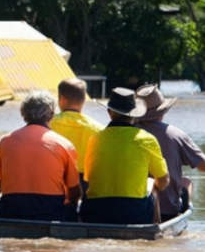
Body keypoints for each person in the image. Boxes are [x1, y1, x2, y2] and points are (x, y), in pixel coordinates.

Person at [80, 87, 170, 224]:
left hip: (97, 213)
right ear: (134, 115)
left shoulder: (95, 139)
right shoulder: (147, 140)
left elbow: (87, 178)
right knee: (152, 183)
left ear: (109, 112)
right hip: (134, 214)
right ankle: (155, 233)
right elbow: (163, 181)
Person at [0, 90, 82, 221]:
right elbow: (73, 191)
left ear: (23, 112)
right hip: (50, 211)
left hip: (10, 209)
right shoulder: (64, 144)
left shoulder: (5, 141)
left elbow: (1, 180)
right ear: (52, 114)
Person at [136, 84, 205, 221]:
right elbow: (203, 165)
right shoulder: (176, 134)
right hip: (168, 211)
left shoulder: (128, 133)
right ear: (162, 112)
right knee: (186, 182)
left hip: (134, 207)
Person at [50, 78, 104, 192]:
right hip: (86, 185)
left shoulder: (48, 124)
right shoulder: (98, 129)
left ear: (62, 98)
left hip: (55, 181)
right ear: (84, 100)